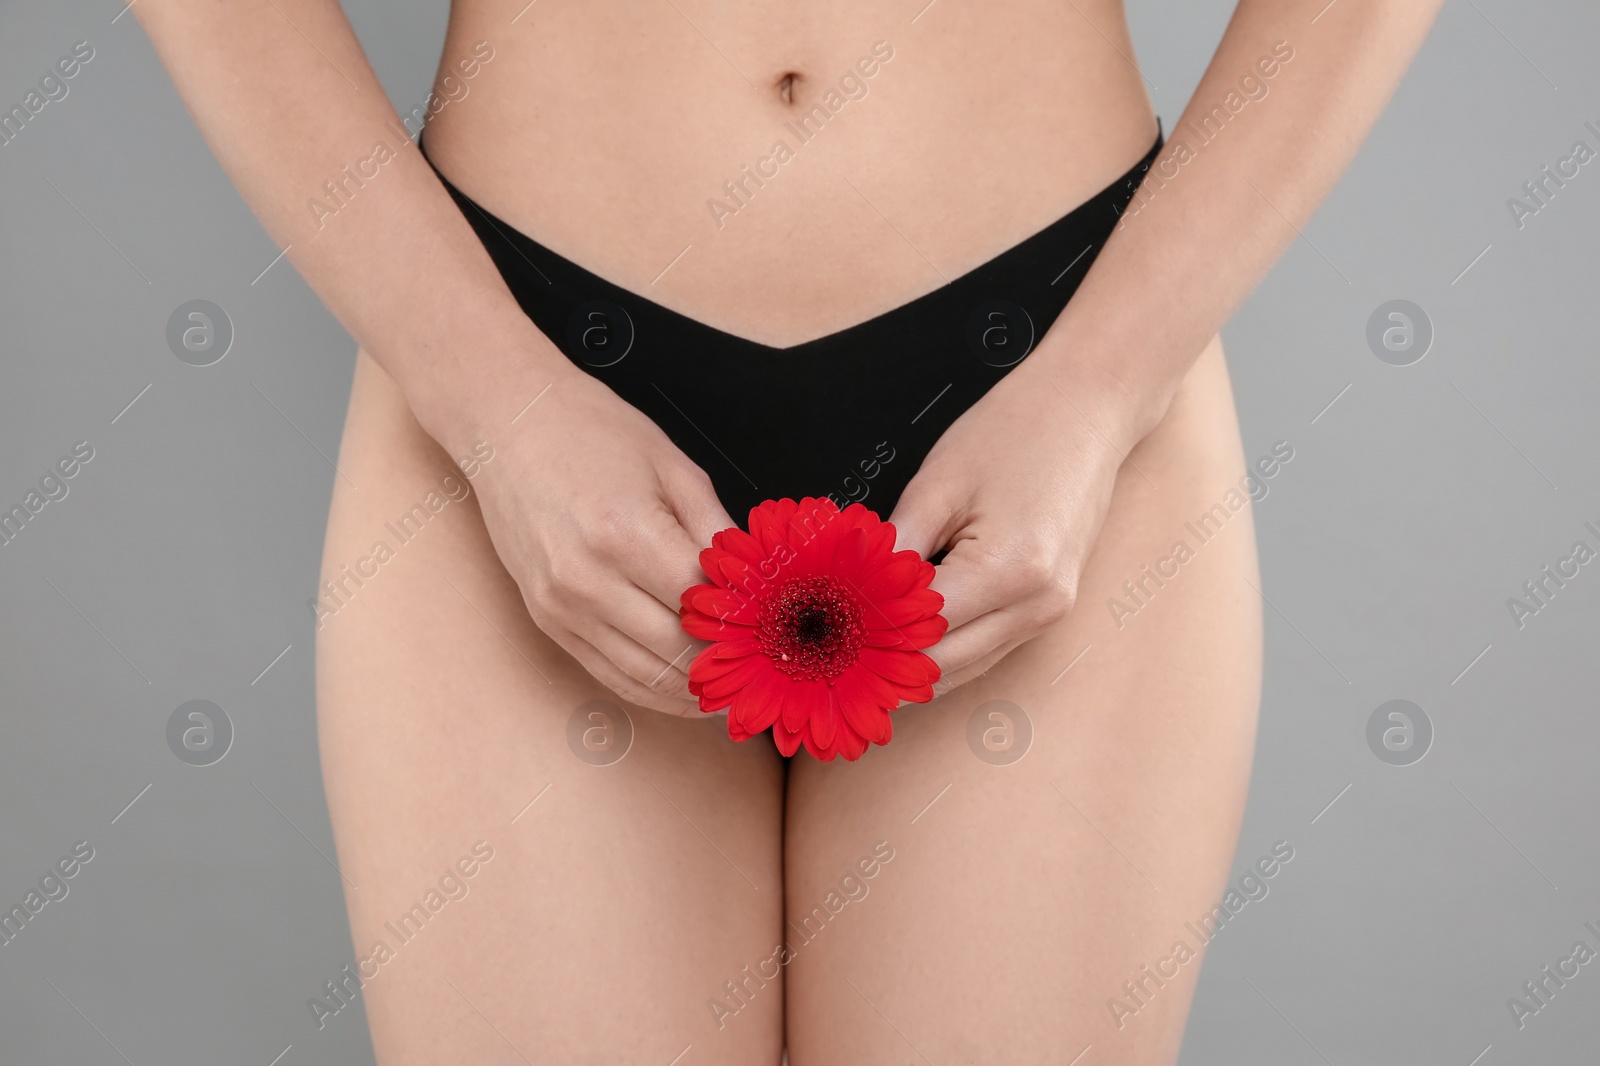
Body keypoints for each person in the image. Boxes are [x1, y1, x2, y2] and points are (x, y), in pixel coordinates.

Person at [137, 1, 1442, 1061]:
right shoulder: (498, 399)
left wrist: (1106, 382)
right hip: (518, 368)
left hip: (1055, 362)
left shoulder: (1087, 383)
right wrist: (487, 397)